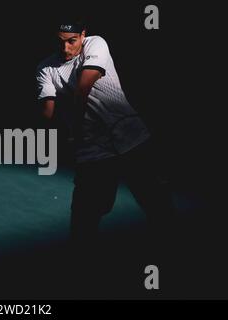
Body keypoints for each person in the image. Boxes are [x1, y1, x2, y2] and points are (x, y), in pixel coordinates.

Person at [35, 20, 176, 251]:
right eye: (60, 42)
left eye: (72, 41)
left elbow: (83, 88)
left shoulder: (96, 43)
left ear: (83, 34)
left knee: (157, 204)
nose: (66, 49)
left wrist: (75, 130)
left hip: (131, 137)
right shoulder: (45, 67)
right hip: (92, 150)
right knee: (84, 218)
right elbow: (47, 113)